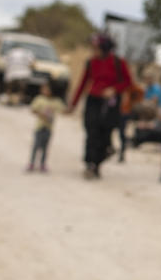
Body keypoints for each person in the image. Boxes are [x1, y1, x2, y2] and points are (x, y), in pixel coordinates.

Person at [66, 33, 133, 179]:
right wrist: (73, 104)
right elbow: (83, 84)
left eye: (96, 48)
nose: (94, 51)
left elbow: (127, 82)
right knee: (91, 132)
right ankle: (90, 164)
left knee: (105, 134)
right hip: (93, 100)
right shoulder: (91, 62)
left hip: (110, 104)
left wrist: (114, 89)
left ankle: (97, 163)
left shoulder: (118, 62)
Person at [27, 80, 64, 173]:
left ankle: (42, 164)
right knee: (36, 146)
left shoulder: (56, 101)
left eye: (47, 89)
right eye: (43, 89)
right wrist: (40, 114)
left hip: (49, 128)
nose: (45, 91)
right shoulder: (39, 99)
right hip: (39, 127)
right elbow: (33, 109)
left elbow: (63, 109)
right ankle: (31, 163)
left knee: (45, 147)